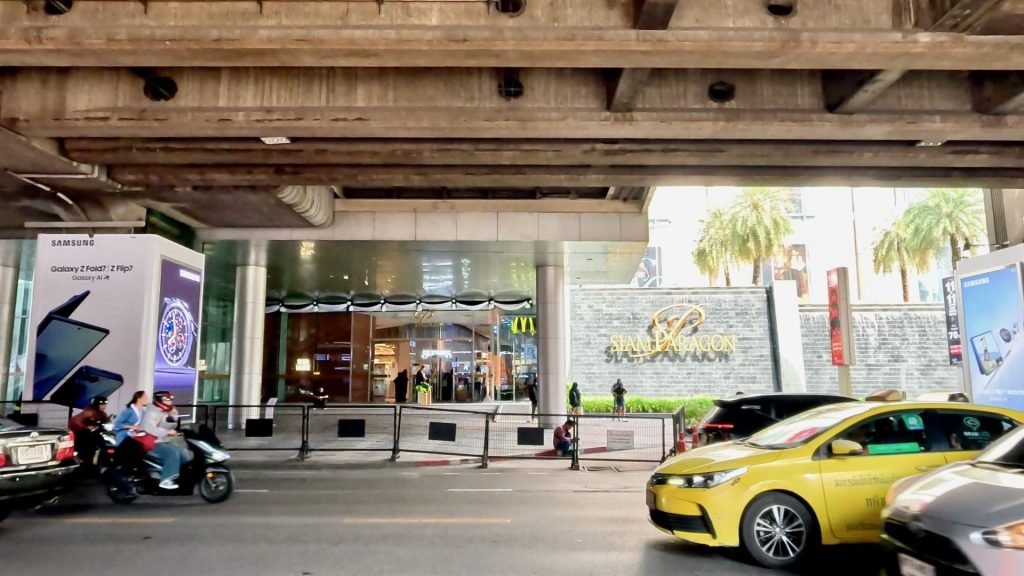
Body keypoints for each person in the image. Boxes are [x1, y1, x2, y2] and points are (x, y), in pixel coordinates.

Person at [141, 391, 191, 490]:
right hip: (153, 442)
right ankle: (166, 480)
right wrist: (166, 432)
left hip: (164, 440)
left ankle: (177, 474)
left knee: (184, 454)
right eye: (167, 399)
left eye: (170, 399)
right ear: (159, 400)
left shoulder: (164, 410)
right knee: (172, 453)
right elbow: (149, 427)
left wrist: (174, 415)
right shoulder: (152, 411)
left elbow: (171, 425)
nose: (170, 401)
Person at [68, 395, 111, 468]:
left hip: (94, 433)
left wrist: (106, 423)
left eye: (104, 404)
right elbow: (76, 422)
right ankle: (85, 463)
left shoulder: (102, 414)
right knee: (87, 449)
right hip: (81, 432)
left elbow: (106, 421)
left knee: (101, 443)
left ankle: (104, 462)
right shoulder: (89, 412)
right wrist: (87, 427)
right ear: (96, 404)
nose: (103, 406)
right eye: (101, 405)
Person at [113, 391, 149, 471]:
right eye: (145, 397)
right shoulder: (128, 411)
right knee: (137, 447)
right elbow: (117, 425)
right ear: (139, 398)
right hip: (124, 436)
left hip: (135, 436)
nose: (147, 399)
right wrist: (132, 427)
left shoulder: (143, 412)